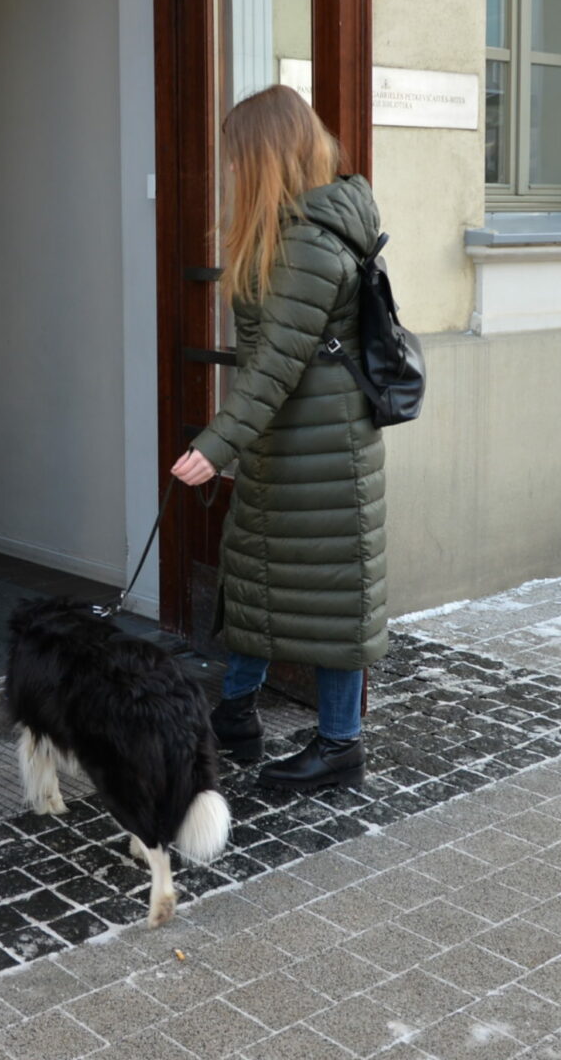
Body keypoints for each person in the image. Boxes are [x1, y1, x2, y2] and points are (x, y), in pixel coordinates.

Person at [170, 85, 387, 790]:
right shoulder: (294, 229)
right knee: (257, 579)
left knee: (329, 599)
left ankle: (341, 746)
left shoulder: (308, 244)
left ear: (266, 156)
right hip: (289, 447)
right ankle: (236, 714)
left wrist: (214, 446)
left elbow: (273, 367)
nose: (231, 170)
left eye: (238, 157)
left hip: (323, 455)